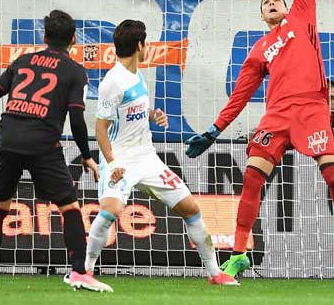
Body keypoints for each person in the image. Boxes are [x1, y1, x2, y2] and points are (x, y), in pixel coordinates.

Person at [185, 0, 334, 278]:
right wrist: (215, 130)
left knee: (333, 176)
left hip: (313, 109)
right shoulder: (259, 49)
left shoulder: (303, 15)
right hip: (277, 115)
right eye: (265, 2)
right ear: (261, 16)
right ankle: (240, 251)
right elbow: (240, 95)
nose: (272, 1)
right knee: (251, 180)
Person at [85, 19, 238, 290]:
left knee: (190, 208)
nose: (148, 47)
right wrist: (112, 163)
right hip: (120, 159)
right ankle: (84, 272)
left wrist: (153, 116)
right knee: (110, 211)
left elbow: (132, 113)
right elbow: (100, 129)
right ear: (140, 45)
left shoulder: (137, 76)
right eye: (146, 42)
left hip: (147, 159)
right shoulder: (113, 81)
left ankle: (215, 273)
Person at [0, 10, 103, 292]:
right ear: (73, 40)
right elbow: (77, 118)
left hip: (7, 139)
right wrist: (87, 155)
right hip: (43, 143)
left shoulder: (22, 61)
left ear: (44, 37)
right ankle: (79, 272)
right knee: (69, 206)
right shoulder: (74, 70)